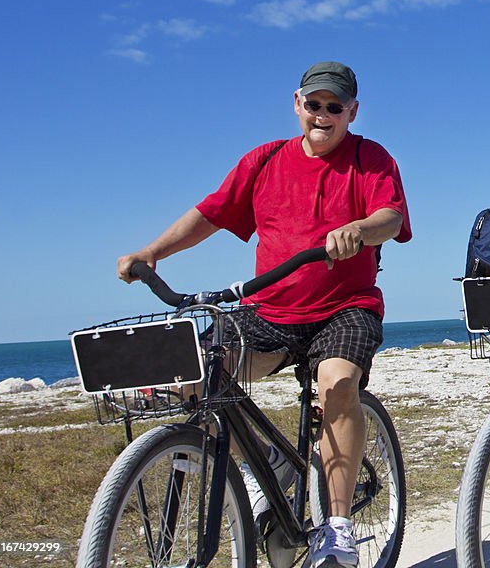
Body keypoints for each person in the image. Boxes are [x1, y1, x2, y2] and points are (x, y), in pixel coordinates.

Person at [117, 61, 412, 568]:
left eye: (334, 107)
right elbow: (210, 213)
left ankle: (337, 527)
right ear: (297, 104)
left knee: (338, 385)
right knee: (197, 375)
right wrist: (152, 252)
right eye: (314, 104)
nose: (323, 115)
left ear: (352, 112)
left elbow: (391, 216)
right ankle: (270, 462)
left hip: (345, 307)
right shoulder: (266, 159)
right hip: (269, 309)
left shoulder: (371, 158)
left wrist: (359, 230)